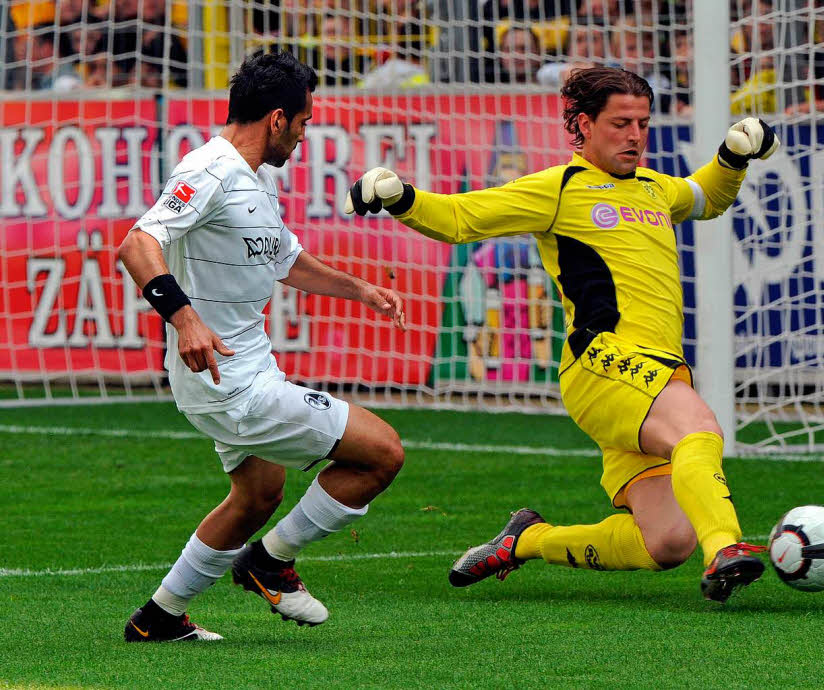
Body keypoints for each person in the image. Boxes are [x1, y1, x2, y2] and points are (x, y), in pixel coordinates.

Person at [345, 66, 779, 602]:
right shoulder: (560, 188)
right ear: (582, 125)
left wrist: (733, 159)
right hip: (604, 360)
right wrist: (401, 197)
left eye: (642, 123)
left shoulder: (654, 189)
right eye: (621, 122)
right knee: (699, 430)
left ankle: (527, 540)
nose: (635, 135)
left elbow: (707, 197)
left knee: (666, 542)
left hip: (648, 377)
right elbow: (460, 218)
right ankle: (726, 549)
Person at [118, 51, 407, 642]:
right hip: (228, 379)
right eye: (302, 122)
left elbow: (284, 260)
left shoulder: (256, 179)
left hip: (246, 367)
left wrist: (360, 289)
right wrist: (185, 319)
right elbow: (137, 244)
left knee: (256, 496)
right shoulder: (211, 171)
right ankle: (268, 564)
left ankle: (158, 619)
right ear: (277, 119)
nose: (303, 136)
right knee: (382, 454)